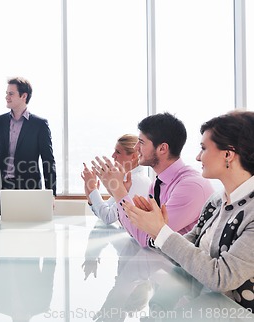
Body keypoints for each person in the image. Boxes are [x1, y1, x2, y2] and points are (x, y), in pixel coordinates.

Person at [123, 111, 254, 310]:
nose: (197, 156)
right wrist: (155, 229)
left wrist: (160, 232)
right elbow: (189, 246)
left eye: (203, 148)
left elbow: (221, 277)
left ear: (228, 154)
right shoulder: (217, 200)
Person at [92, 113, 214, 248]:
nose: (136, 147)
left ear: (162, 148)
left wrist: (119, 192)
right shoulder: (157, 184)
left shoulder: (190, 187)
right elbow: (136, 231)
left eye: (142, 142)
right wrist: (120, 193)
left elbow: (147, 238)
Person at [0, 77, 57, 216]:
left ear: (24, 96)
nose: (6, 97)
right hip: (1, 189)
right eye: (6, 93)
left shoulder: (39, 125)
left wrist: (51, 193)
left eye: (11, 93)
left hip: (29, 190)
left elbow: (48, 161)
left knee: (28, 234)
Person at [81, 134, 151, 224]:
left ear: (133, 157)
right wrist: (90, 196)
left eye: (118, 152)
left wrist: (92, 189)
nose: (113, 155)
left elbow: (108, 217)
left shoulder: (136, 181)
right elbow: (105, 209)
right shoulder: (129, 178)